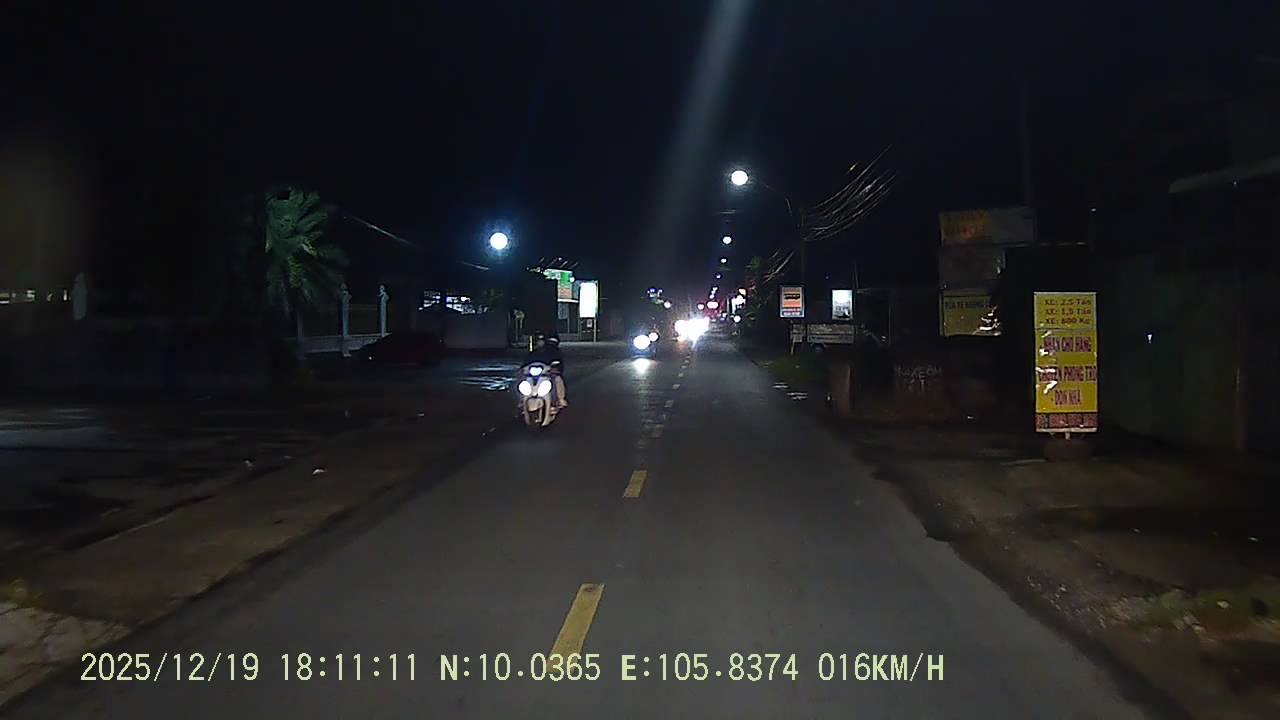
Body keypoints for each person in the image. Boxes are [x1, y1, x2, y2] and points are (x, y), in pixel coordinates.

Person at [525, 331, 568, 408]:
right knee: (521, 382)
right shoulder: (533, 353)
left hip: (547, 374)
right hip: (533, 375)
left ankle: (560, 399)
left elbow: (558, 362)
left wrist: (555, 369)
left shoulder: (552, 351)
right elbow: (525, 363)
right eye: (538, 341)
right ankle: (522, 400)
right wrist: (522, 369)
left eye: (541, 340)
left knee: (557, 379)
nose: (540, 342)